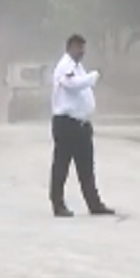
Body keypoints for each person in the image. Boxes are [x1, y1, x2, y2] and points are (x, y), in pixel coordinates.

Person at [49, 34, 115, 218]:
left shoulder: (78, 67)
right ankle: (58, 203)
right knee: (61, 165)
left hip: (81, 124)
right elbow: (72, 85)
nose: (82, 52)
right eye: (79, 48)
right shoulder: (65, 66)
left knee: (86, 167)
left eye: (84, 48)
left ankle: (94, 203)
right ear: (70, 47)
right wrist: (93, 76)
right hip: (66, 123)